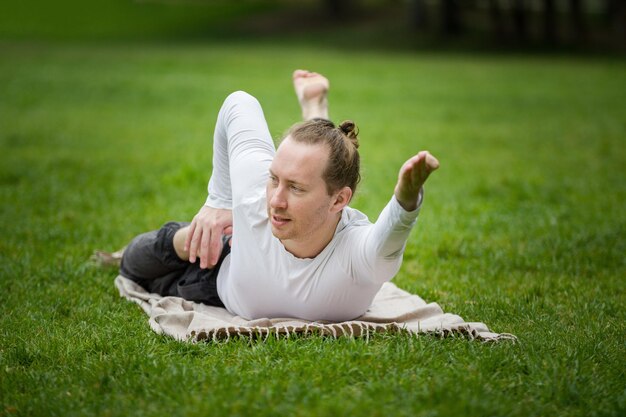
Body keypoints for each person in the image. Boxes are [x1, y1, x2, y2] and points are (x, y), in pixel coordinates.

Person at [120, 70, 439, 322]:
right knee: (133, 263)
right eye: (274, 179)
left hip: (235, 278)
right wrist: (219, 201)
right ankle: (316, 114)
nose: (275, 200)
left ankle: (316, 110)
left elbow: (387, 243)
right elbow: (239, 102)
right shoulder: (254, 194)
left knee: (315, 165)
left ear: (340, 200)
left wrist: (405, 199)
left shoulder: (357, 253)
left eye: (296, 188)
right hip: (222, 263)